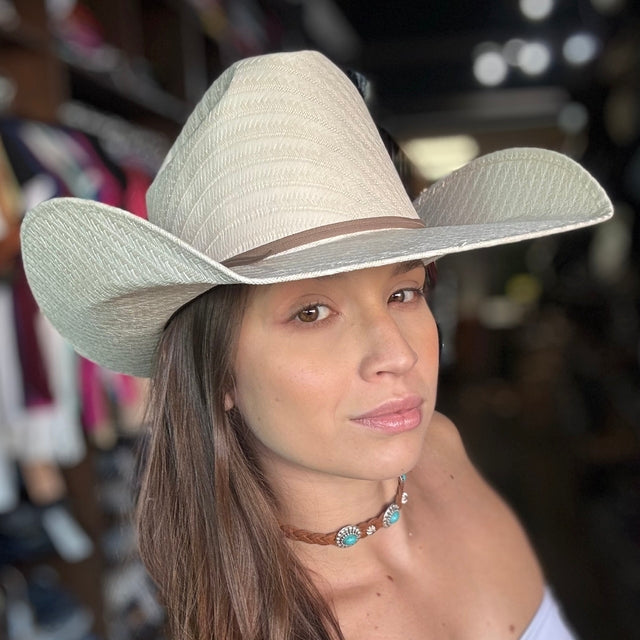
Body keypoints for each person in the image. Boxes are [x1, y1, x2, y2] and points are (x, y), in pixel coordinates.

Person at [20, 50, 612, 640]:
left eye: (403, 293)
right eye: (311, 312)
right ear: (218, 370)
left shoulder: (440, 448)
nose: (398, 355)